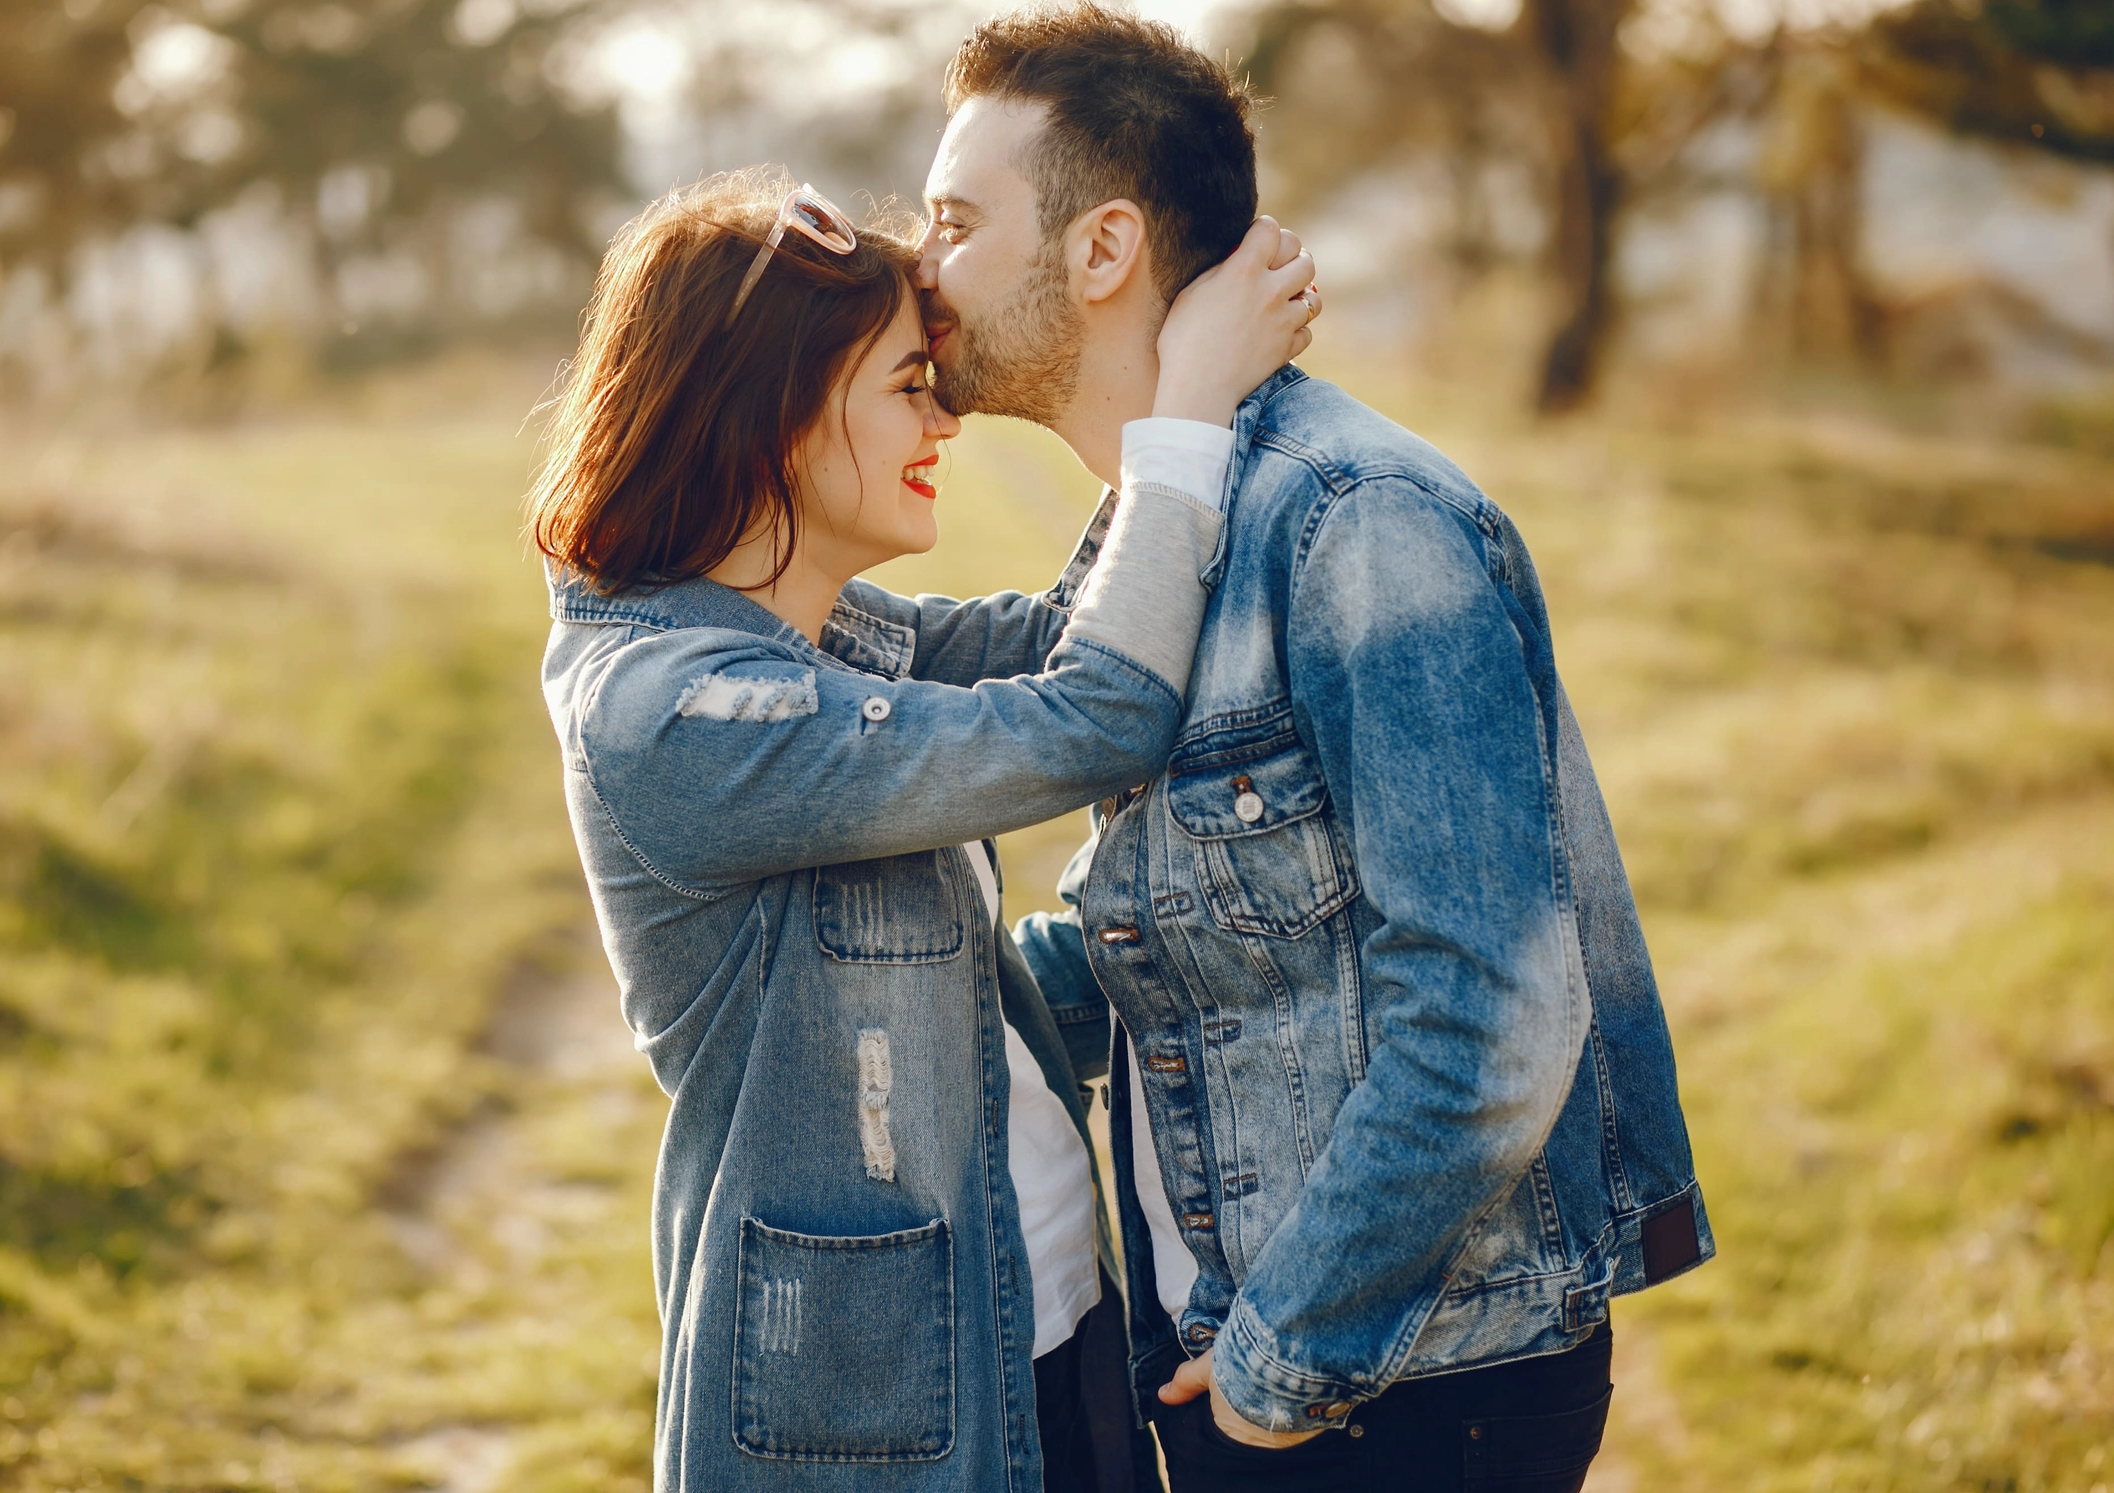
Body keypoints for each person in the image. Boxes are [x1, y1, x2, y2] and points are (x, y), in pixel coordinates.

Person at [913, 9, 1715, 1491]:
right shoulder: (1168, 524)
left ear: (1101, 252)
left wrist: (1287, 1364)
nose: (922, 266)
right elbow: (1202, 938)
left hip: (1394, 1388)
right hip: (1247, 1359)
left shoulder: (1358, 524)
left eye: (955, 223)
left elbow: (1490, 1011)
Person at [525, 169, 1315, 1492]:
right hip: (880, 1427)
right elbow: (1097, 716)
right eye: (909, 383)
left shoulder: (820, 637)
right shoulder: (681, 712)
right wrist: (1183, 414)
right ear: (772, 410)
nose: (942, 416)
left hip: (1044, 1334)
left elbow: (1080, 636)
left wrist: (1160, 380)